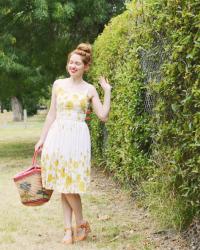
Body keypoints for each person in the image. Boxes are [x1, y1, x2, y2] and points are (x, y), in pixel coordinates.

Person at [34, 43, 112, 245]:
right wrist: (42, 139)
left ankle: (80, 223)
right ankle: (69, 230)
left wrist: (107, 91)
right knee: (61, 183)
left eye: (77, 63)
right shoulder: (58, 84)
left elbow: (103, 116)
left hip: (77, 139)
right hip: (57, 136)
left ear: (86, 67)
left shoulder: (90, 89)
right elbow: (52, 113)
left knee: (70, 184)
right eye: (71, 62)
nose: (73, 66)